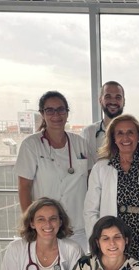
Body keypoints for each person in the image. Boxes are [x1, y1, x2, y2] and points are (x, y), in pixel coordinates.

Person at [84, 113, 139, 263]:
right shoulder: (101, 167)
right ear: (113, 138)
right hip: (112, 242)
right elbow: (90, 210)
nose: (125, 138)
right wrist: (98, 242)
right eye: (120, 133)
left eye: (130, 132)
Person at [15, 91, 93, 252]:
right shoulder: (31, 145)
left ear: (67, 113)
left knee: (78, 267)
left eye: (60, 109)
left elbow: (92, 183)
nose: (56, 115)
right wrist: (32, 224)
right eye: (50, 110)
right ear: (42, 114)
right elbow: (24, 188)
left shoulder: (80, 144)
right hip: (46, 228)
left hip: (79, 227)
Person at [82, 81, 125, 161]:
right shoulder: (89, 132)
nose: (113, 101)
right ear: (100, 100)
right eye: (108, 97)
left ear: (123, 101)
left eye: (118, 97)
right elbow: (86, 165)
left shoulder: (135, 133)